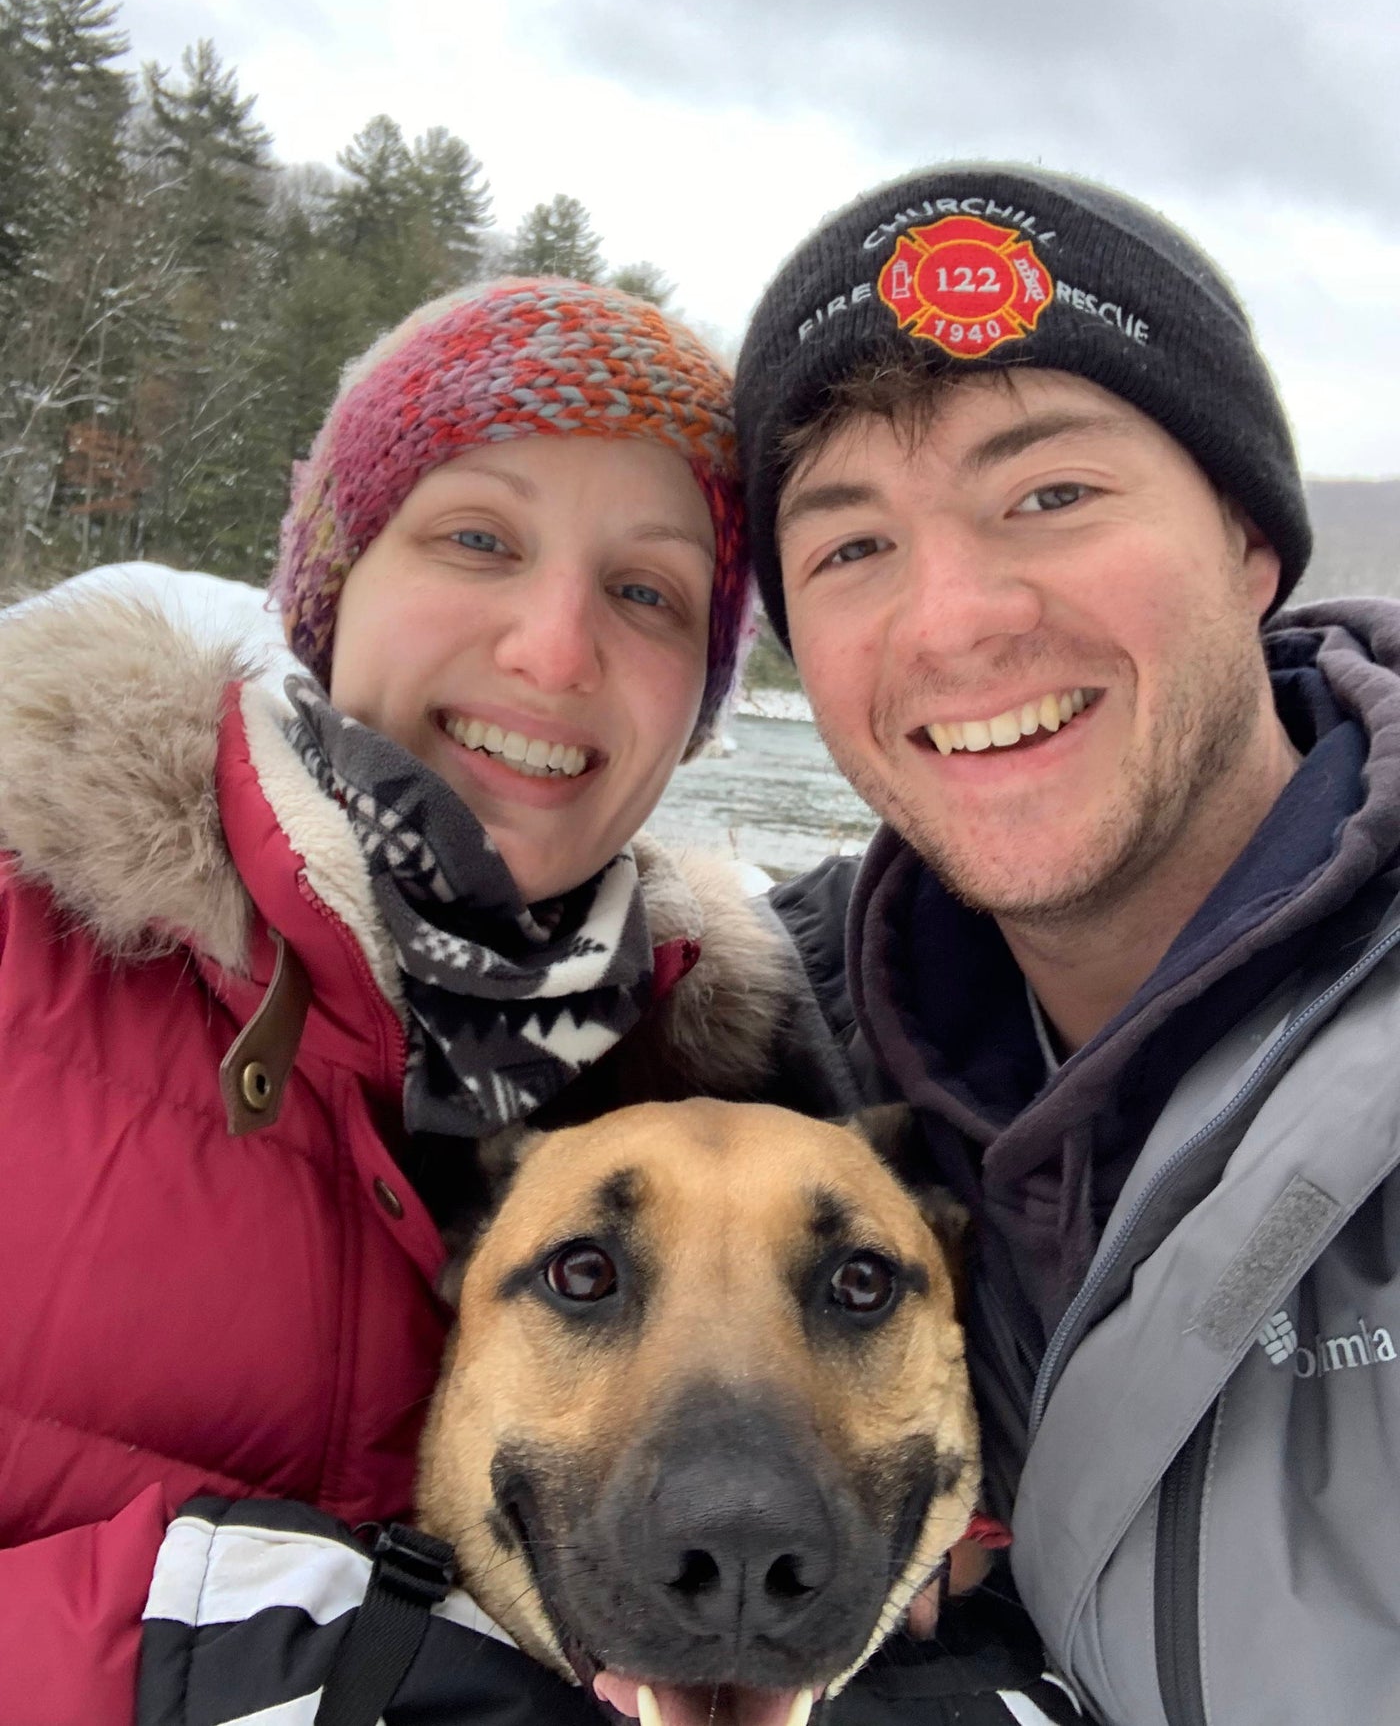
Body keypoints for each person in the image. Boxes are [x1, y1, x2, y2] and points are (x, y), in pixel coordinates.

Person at [0, 277, 807, 1725]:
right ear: (332, 583)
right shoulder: (22, 932)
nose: (554, 650)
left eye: (646, 592)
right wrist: (195, 1663)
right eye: (478, 539)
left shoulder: (730, 1090)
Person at [734, 163, 1400, 1723]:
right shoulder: (773, 1050)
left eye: (1051, 495)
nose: (957, 622)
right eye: (851, 548)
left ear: (1250, 542)